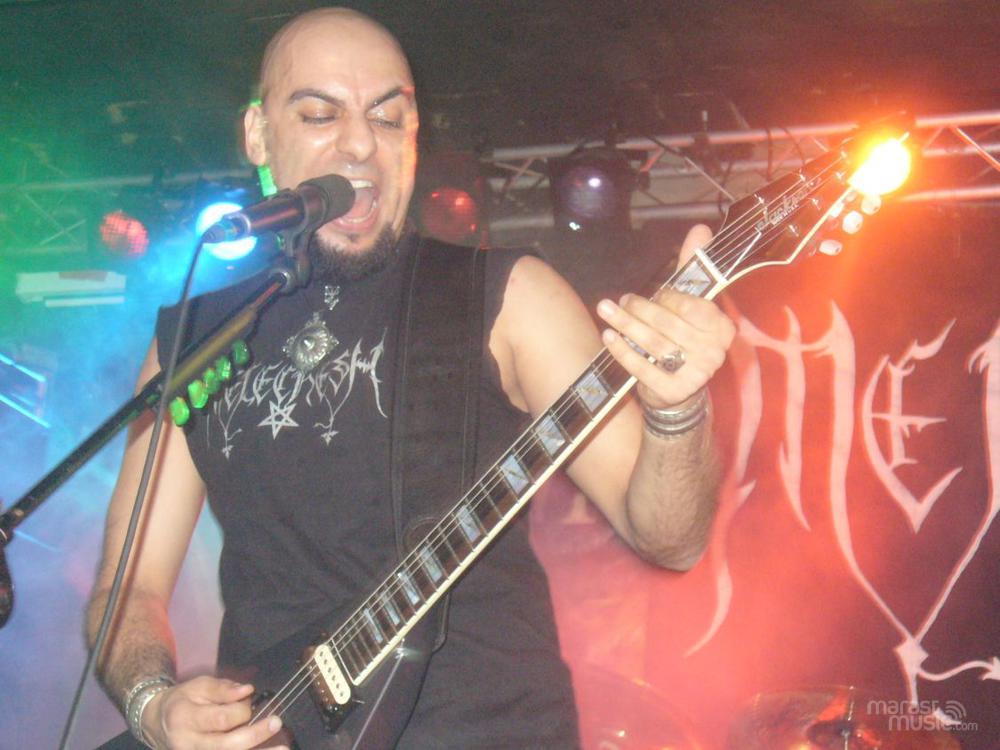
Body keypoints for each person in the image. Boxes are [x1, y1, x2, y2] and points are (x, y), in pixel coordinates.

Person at [87, 7, 735, 749]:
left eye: (388, 118)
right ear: (259, 135)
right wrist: (153, 707)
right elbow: (126, 590)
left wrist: (678, 411)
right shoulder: (197, 338)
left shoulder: (507, 296)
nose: (360, 144)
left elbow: (670, 538)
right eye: (320, 114)